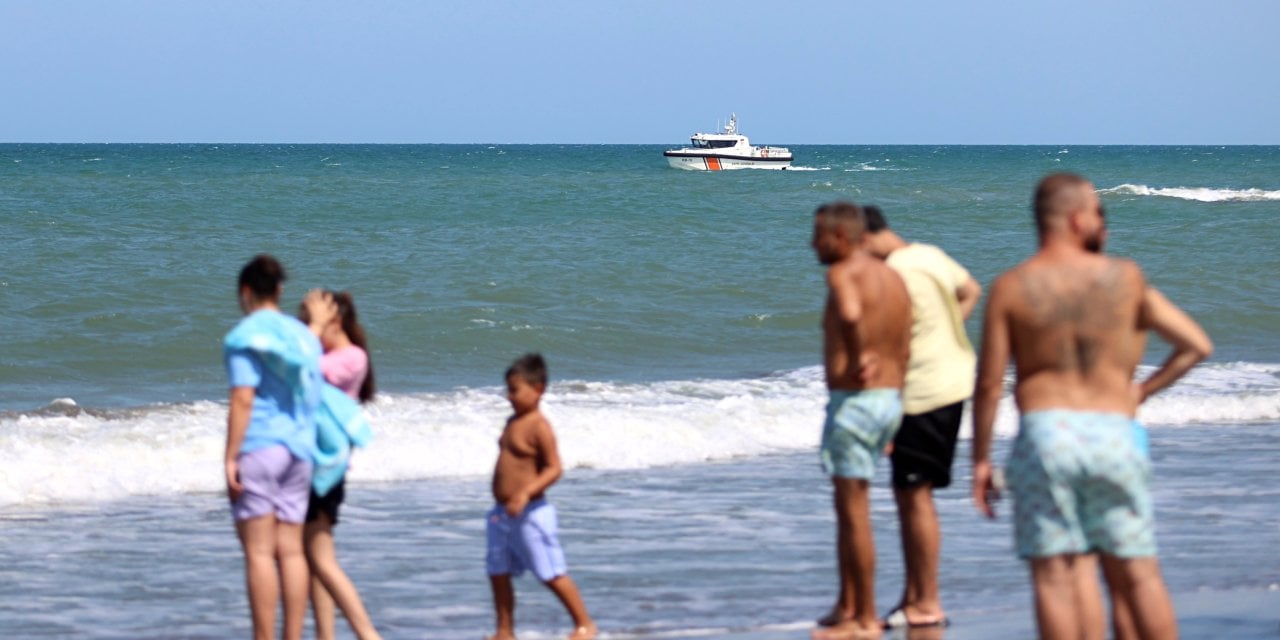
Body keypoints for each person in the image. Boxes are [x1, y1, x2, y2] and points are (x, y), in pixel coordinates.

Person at [971, 173, 1212, 640]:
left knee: (1056, 579)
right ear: (1077, 218)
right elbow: (1195, 345)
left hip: (1046, 437)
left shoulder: (1012, 286)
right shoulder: (1126, 278)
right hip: (1115, 434)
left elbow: (988, 385)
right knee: (1139, 575)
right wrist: (1141, 392)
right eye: (1100, 211)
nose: (1105, 221)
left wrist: (980, 460)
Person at [858, 206, 981, 630]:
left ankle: (927, 602)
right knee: (911, 494)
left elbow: (888, 346)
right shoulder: (928, 255)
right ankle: (914, 597)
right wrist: (947, 333)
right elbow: (972, 291)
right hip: (952, 382)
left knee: (915, 497)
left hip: (922, 392)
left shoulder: (891, 273)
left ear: (865, 238)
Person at [809, 202, 913, 640]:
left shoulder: (842, 273)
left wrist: (857, 355)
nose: (811, 244)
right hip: (889, 399)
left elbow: (851, 314)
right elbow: (907, 342)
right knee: (852, 508)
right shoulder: (894, 276)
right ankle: (847, 604)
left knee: (853, 513)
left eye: (817, 235)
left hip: (855, 401)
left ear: (841, 236)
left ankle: (864, 619)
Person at [223, 254, 325, 640]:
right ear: (280, 290)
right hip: (299, 451)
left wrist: (231, 456)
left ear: (245, 291)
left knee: (260, 553)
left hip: (261, 447)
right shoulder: (305, 337)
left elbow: (243, 399)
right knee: (293, 552)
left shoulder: (243, 336)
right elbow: (312, 395)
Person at [486, 354, 596, 640]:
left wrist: (524, 492)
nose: (508, 396)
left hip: (532, 513)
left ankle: (584, 624)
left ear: (538, 389)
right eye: (507, 389)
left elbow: (554, 468)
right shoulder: (513, 420)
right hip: (501, 513)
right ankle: (504, 631)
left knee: (550, 571)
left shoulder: (538, 425)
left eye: (514, 389)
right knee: (497, 572)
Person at [298, 290, 382, 640]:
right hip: (310, 467)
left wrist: (310, 331)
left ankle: (368, 634)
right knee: (314, 561)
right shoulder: (330, 351)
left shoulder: (352, 358)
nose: (306, 327)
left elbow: (302, 371)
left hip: (324, 472)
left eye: (313, 320)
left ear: (334, 322)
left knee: (321, 560)